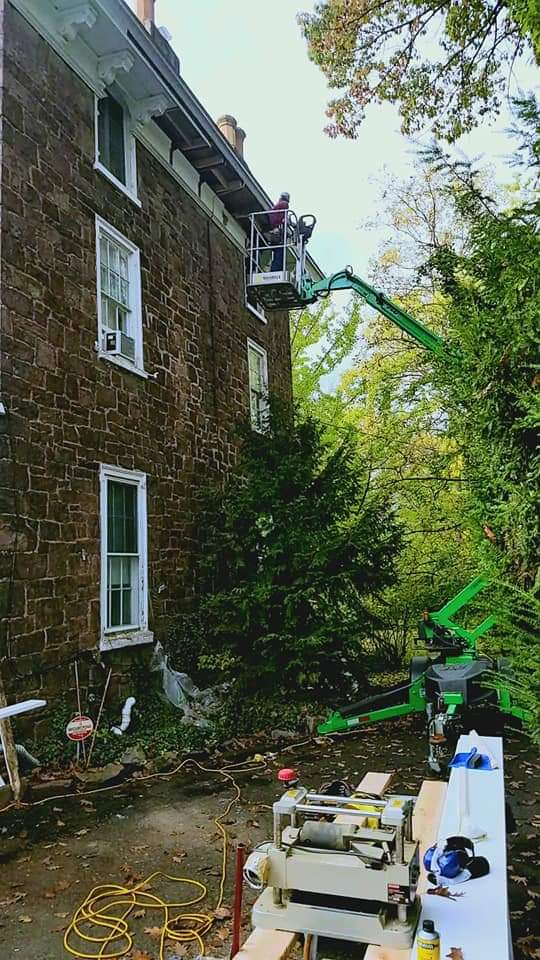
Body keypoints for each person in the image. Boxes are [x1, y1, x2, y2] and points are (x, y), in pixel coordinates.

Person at [268, 191, 289, 271]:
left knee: (277, 251)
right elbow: (282, 217)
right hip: (277, 232)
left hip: (274, 231)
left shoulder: (277, 205)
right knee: (280, 252)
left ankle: (274, 269)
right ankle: (276, 270)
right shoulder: (284, 204)